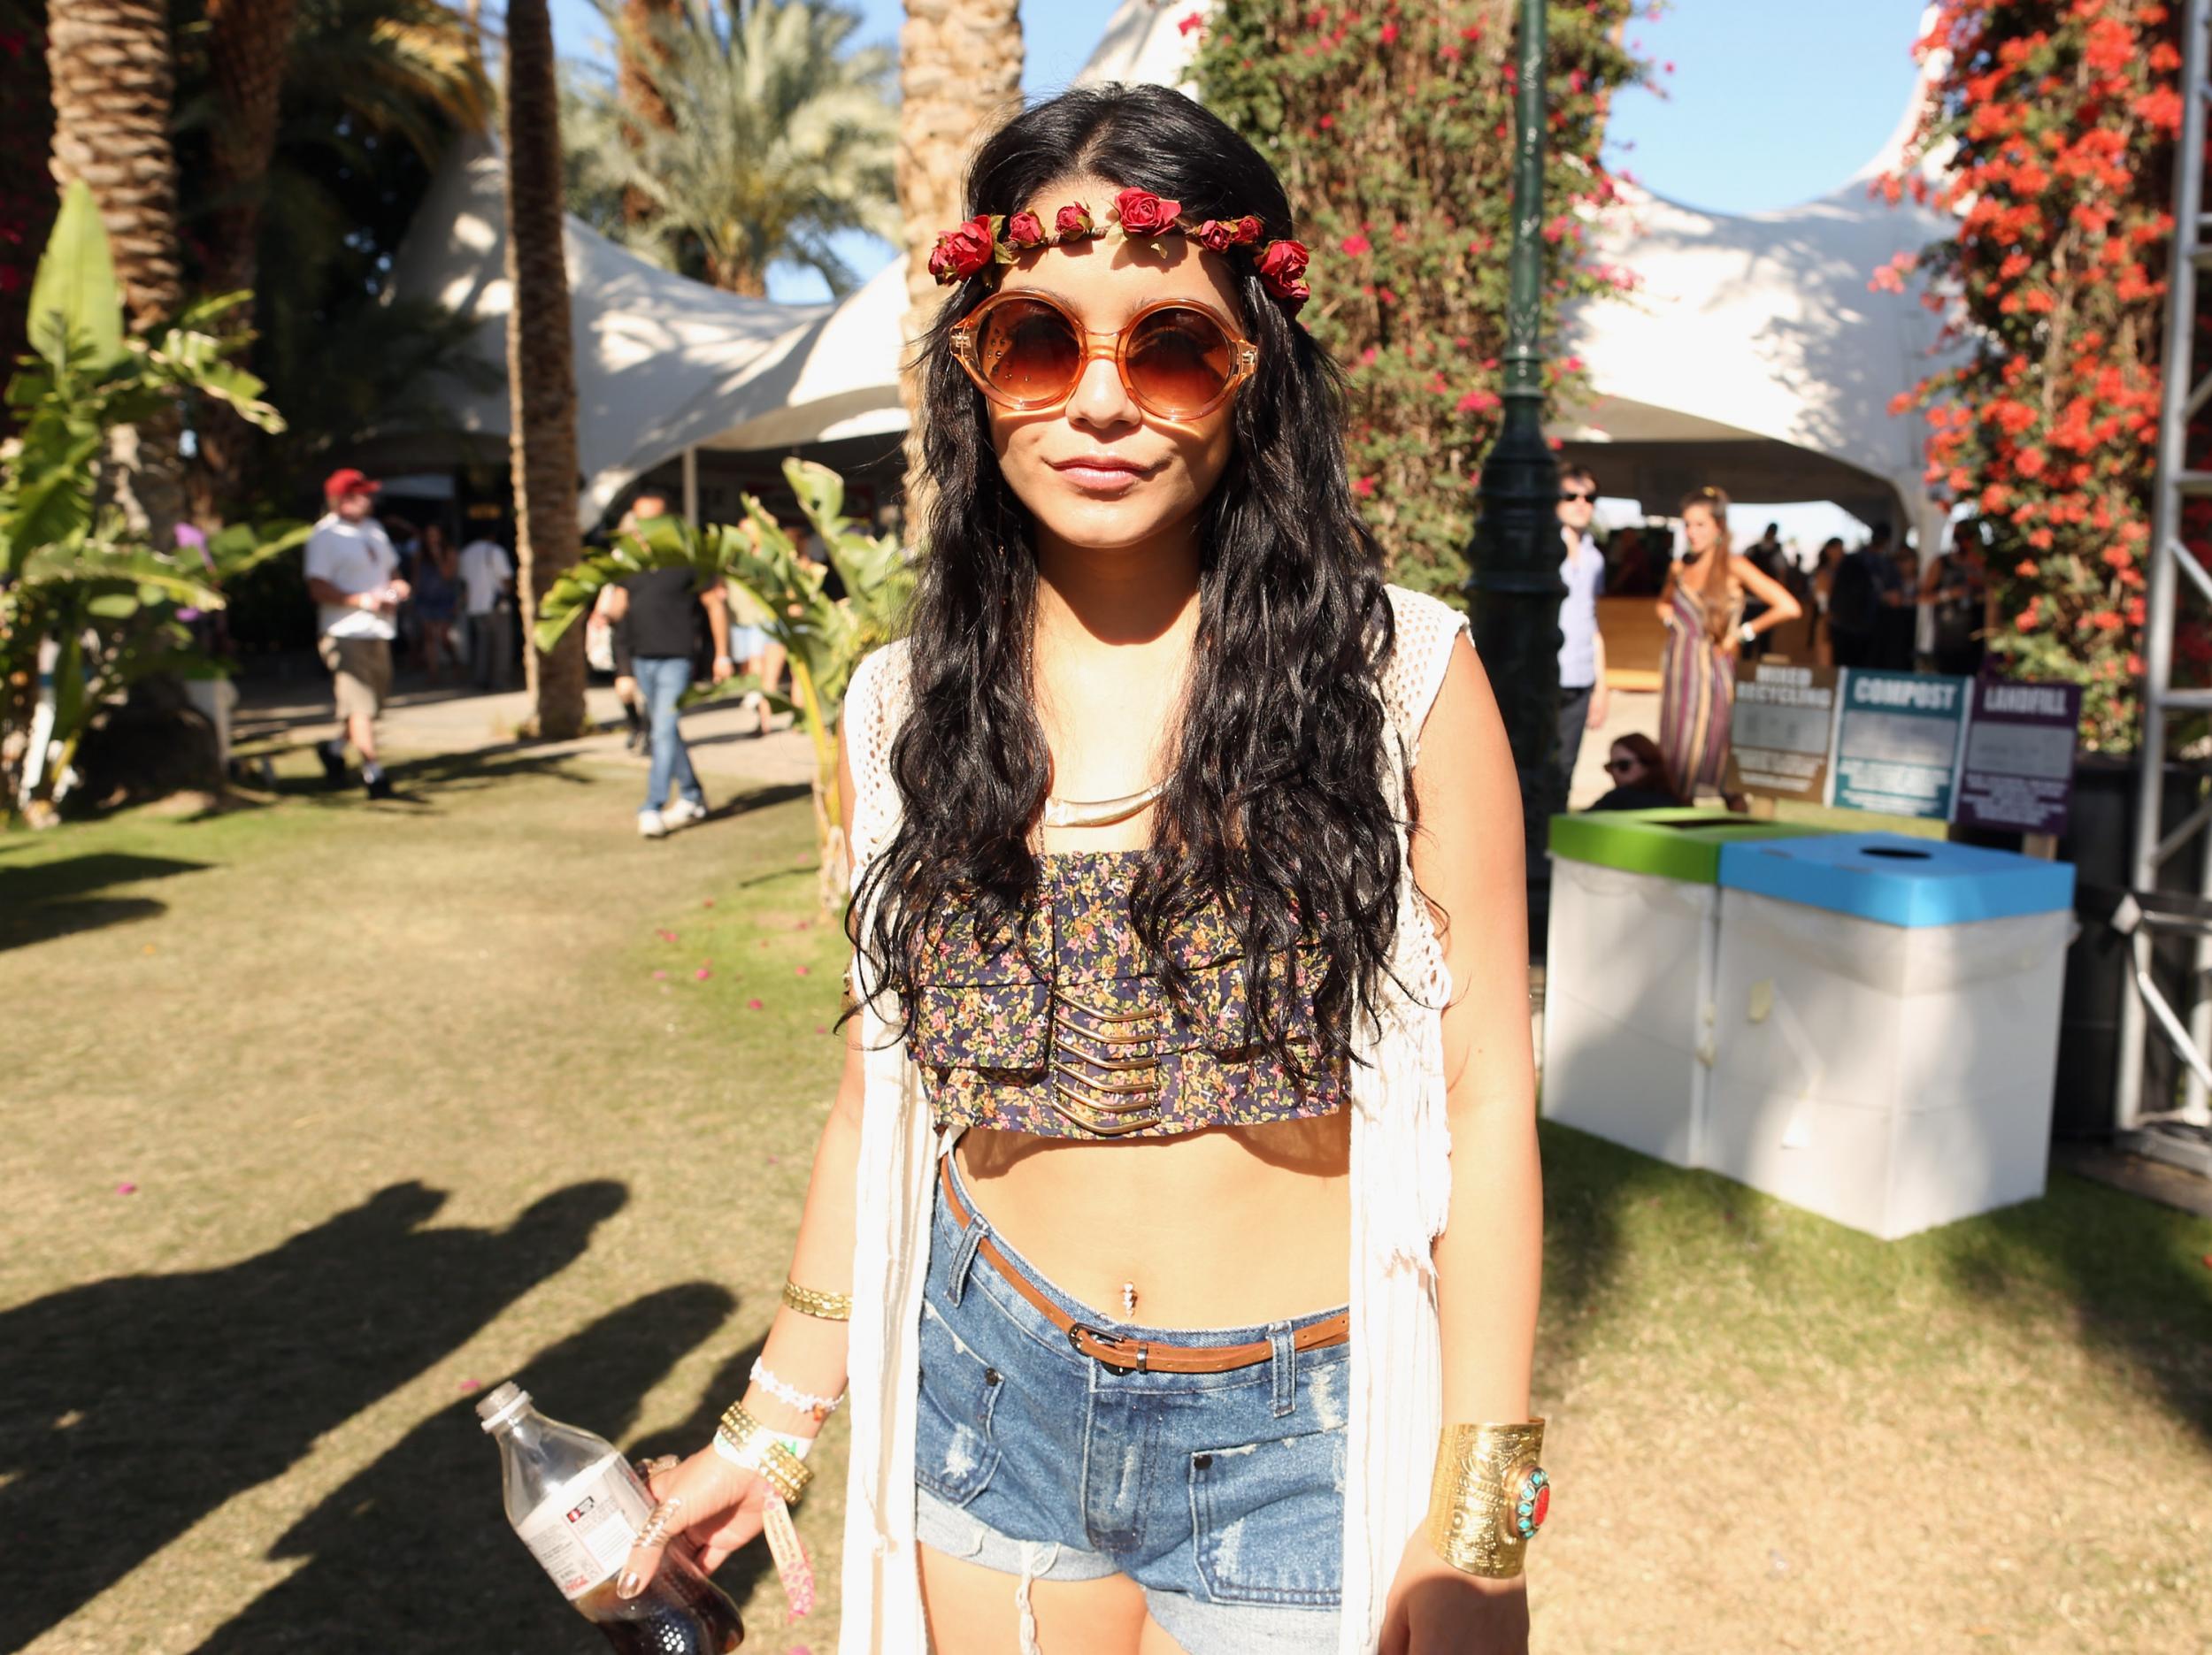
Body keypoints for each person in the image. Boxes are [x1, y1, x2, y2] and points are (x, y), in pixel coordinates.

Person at [617, 85, 1548, 1655]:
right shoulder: (900, 705)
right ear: (977, 370)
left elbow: (1486, 1103)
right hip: (991, 1389)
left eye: (1172, 346)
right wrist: (771, 1426)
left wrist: (1484, 1531)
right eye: (1042, 341)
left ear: (1252, 380)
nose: (1100, 402)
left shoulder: (1404, 682)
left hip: (1297, 1432)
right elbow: (878, 1100)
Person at [592, 492, 732, 838]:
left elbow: (715, 606)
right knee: (666, 731)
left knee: (662, 731)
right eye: (640, 519)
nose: (645, 526)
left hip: (676, 659)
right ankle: (692, 796)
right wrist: (603, 615)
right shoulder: (631, 560)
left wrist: (723, 654)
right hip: (642, 658)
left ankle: (652, 806)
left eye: (652, 518)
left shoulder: (687, 559)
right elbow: (621, 603)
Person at [1657, 486, 1802, 804]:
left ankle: (1739, 838)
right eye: (1688, 524)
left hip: (1712, 674)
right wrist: (1673, 622)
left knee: (1718, 762)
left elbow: (1788, 606)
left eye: (1700, 524)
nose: (1692, 532)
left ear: (1718, 527)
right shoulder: (1680, 568)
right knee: (1676, 762)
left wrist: (1743, 632)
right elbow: (1664, 605)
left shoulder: (1734, 566)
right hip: (1679, 672)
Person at [303, 468, 407, 800]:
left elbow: (392, 572)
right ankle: (374, 774)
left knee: (371, 703)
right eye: (359, 494)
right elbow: (317, 587)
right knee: (360, 705)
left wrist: (398, 588)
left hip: (380, 629)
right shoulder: (325, 536)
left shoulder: (374, 530)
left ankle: (333, 750)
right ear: (340, 499)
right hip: (345, 631)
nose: (367, 499)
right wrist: (361, 601)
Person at [1555, 464, 1609, 801]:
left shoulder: (1595, 559)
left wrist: (1602, 687)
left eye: (1589, 497)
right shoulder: (1542, 551)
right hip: (1545, 679)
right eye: (1571, 495)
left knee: (1564, 773)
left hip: (1581, 678)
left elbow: (1592, 622)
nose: (1581, 503)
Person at [1827, 521, 1900, 668]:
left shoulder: (1881, 563)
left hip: (1864, 625)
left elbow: (1895, 597)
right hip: (1852, 624)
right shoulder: (1858, 560)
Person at [457, 529, 517, 691]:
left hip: (475, 607)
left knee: (482, 645)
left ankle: (480, 679)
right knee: (501, 645)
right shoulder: (495, 551)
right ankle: (499, 681)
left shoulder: (466, 553)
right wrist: (507, 595)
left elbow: (463, 582)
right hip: (494, 605)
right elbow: (506, 578)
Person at [1925, 531, 1990, 678]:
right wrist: (1948, 594)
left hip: (1974, 639)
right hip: (1946, 638)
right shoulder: (1942, 563)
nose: (1963, 543)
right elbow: (1922, 596)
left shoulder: (1980, 564)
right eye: (1959, 538)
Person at [410, 523, 462, 685]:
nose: (432, 538)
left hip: (444, 599)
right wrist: (413, 596)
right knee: (429, 636)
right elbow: (416, 576)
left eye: (435, 534)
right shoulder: (420, 554)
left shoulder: (450, 552)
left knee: (444, 636)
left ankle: (455, 662)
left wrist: (439, 557)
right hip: (425, 598)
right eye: (429, 535)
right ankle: (433, 673)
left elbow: (448, 575)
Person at [1585, 733, 1680, 812]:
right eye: (1609, 767)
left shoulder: (1618, 799)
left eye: (1623, 765)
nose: (1615, 772)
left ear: (1647, 763)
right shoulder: (1678, 798)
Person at [1810, 536, 1846, 665]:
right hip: (1827, 619)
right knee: (1825, 657)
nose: (1841, 552)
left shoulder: (1842, 570)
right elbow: (1821, 598)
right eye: (1838, 548)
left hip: (1840, 620)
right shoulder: (1824, 572)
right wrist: (1825, 615)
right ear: (1829, 551)